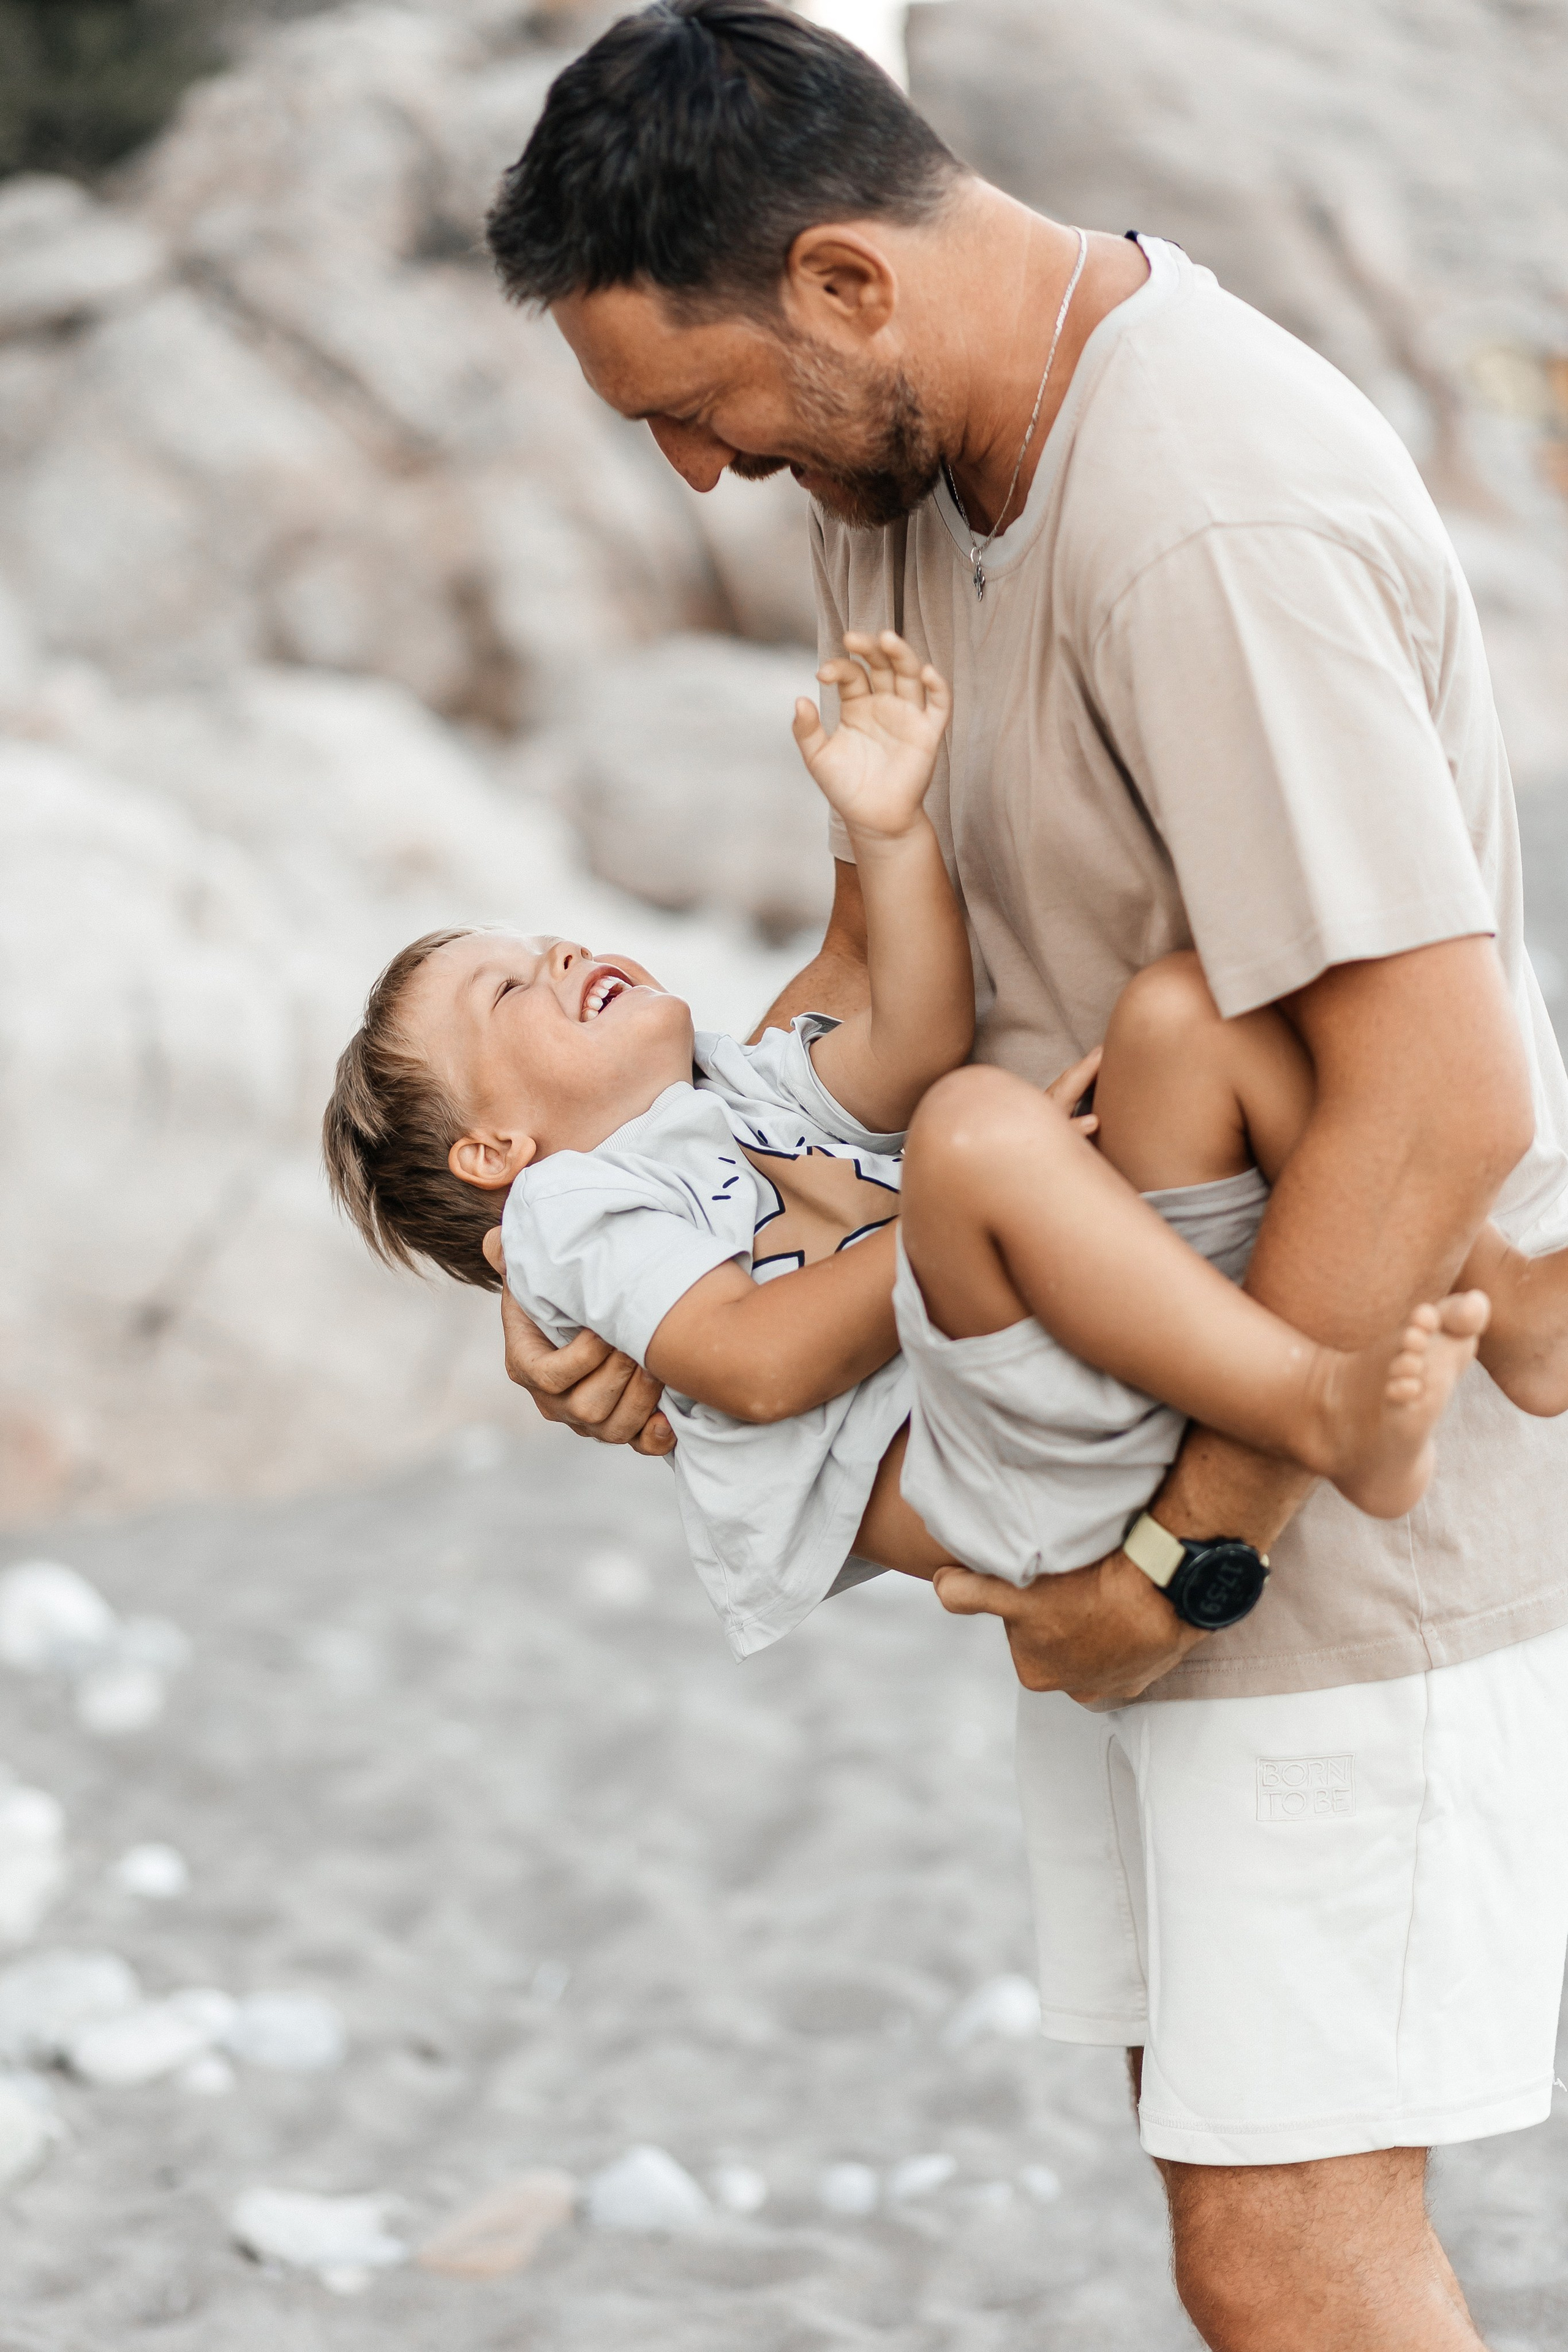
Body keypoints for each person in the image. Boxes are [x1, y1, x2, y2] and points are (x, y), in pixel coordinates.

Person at [480, 6, 1568, 2345]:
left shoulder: (1206, 513)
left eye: (693, 405)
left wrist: (1196, 1560)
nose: (691, 473)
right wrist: (617, 1240)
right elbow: (905, 977)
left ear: (851, 284)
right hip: (1127, 1441)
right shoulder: (888, 478)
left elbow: (1442, 1083)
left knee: (1290, 2243)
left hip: (1327, 1489)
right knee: (1226, 2184)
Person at [323, 628, 1516, 1662]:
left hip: (1068, 1355)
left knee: (1182, 1018)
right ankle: (1317, 1405)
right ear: (493, 1151)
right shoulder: (567, 1214)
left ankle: (1508, 1302)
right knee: (972, 1128)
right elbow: (750, 1364)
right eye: (511, 990)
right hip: (983, 1467)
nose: (564, 955)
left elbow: (908, 1041)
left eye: (545, 942)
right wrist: (964, 1198)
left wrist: (886, 831)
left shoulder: (727, 1088)